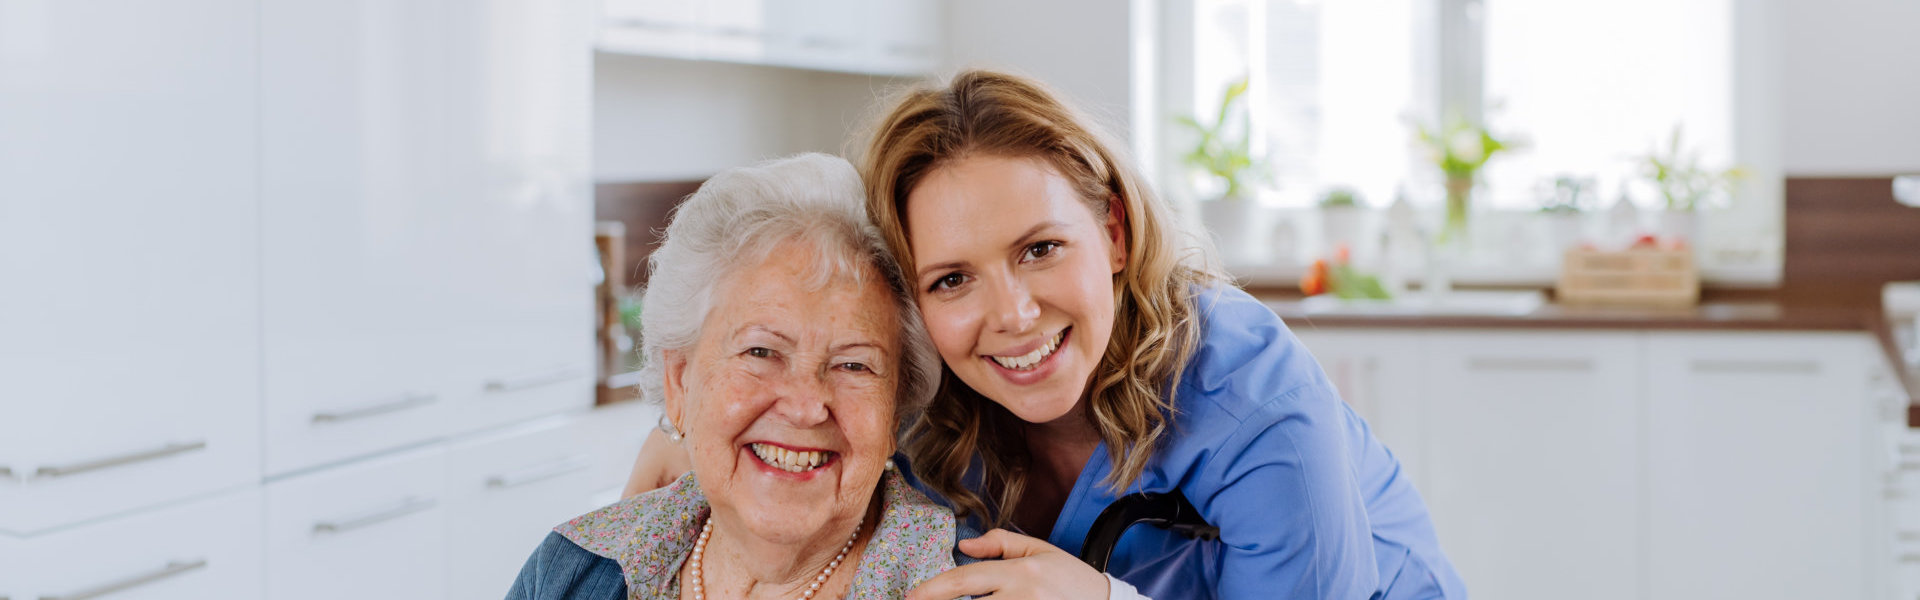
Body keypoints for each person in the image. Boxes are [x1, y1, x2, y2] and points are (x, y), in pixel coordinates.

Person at [859, 70, 1466, 600]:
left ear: (1114, 235)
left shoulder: (1252, 398)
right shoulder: (915, 409)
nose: (1014, 315)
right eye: (952, 280)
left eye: (1041, 249)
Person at [508, 153, 955, 600]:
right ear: (679, 383)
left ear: (895, 413)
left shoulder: (968, 587)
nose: (804, 407)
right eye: (761, 351)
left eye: (853, 365)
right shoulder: (568, 572)